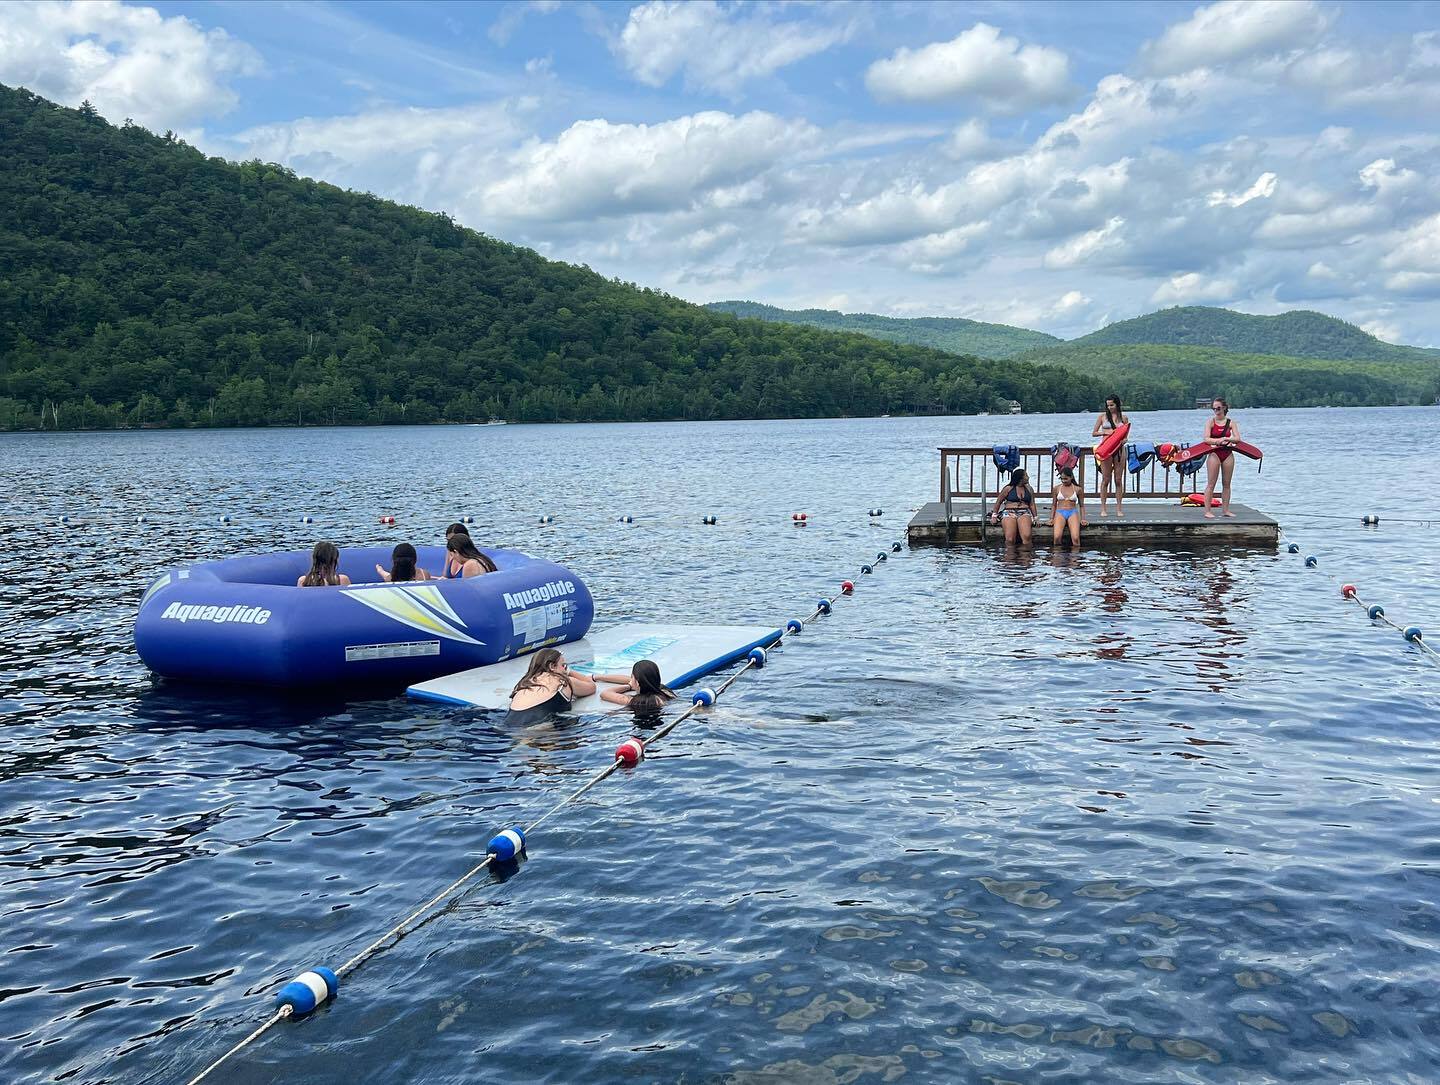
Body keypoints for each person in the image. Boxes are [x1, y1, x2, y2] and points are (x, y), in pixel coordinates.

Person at [506, 648, 597, 725]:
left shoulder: (524, 683)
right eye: (563, 665)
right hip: (537, 729)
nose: (564, 670)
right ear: (552, 666)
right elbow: (591, 686)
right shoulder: (563, 682)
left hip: (507, 725)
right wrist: (569, 672)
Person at [1202, 397, 1241, 519]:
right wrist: (1218, 441)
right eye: (1213, 408)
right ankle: (1207, 511)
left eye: (1218, 408)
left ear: (1224, 408)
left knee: (1227, 484)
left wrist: (1227, 439)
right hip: (1214, 454)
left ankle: (1226, 510)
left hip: (1228, 454)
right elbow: (1206, 439)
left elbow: (1237, 439)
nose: (1215, 410)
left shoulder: (1231, 422)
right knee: (1211, 484)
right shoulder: (1210, 422)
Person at [1092, 394, 1129, 518]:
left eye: (1112, 405)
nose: (1110, 407)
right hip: (1106, 449)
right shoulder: (1102, 417)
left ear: (1117, 404)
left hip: (1119, 450)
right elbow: (1094, 433)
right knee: (1105, 480)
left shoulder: (1123, 418)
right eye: (1108, 405)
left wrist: (1124, 440)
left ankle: (1119, 508)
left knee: (1118, 480)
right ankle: (1103, 508)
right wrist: (1105, 432)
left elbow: (1125, 435)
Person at [594, 660, 676, 714]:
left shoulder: (636, 701)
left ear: (637, 682)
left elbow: (605, 694)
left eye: (632, 676)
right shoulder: (664, 691)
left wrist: (629, 686)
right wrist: (598, 677)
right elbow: (630, 679)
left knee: (610, 713)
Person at [988, 468, 1036, 544]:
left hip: (1024, 512)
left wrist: (1035, 518)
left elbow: (1032, 504)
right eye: (1026, 475)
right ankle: (1010, 555)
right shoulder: (1008, 488)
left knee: (1027, 537)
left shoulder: (1029, 489)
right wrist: (994, 516)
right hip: (1009, 513)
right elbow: (998, 502)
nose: (1028, 477)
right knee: (1010, 539)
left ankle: (1026, 555)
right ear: (1020, 478)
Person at [1049, 467, 1085, 546]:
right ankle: (1057, 555)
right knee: (1057, 537)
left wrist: (1083, 519)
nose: (1063, 481)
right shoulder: (1056, 488)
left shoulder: (1078, 489)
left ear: (1071, 477)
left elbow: (1081, 505)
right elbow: (1054, 505)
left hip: (1072, 512)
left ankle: (1075, 557)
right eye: (1062, 479)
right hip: (1060, 512)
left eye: (1066, 479)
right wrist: (1051, 518)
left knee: (1075, 538)